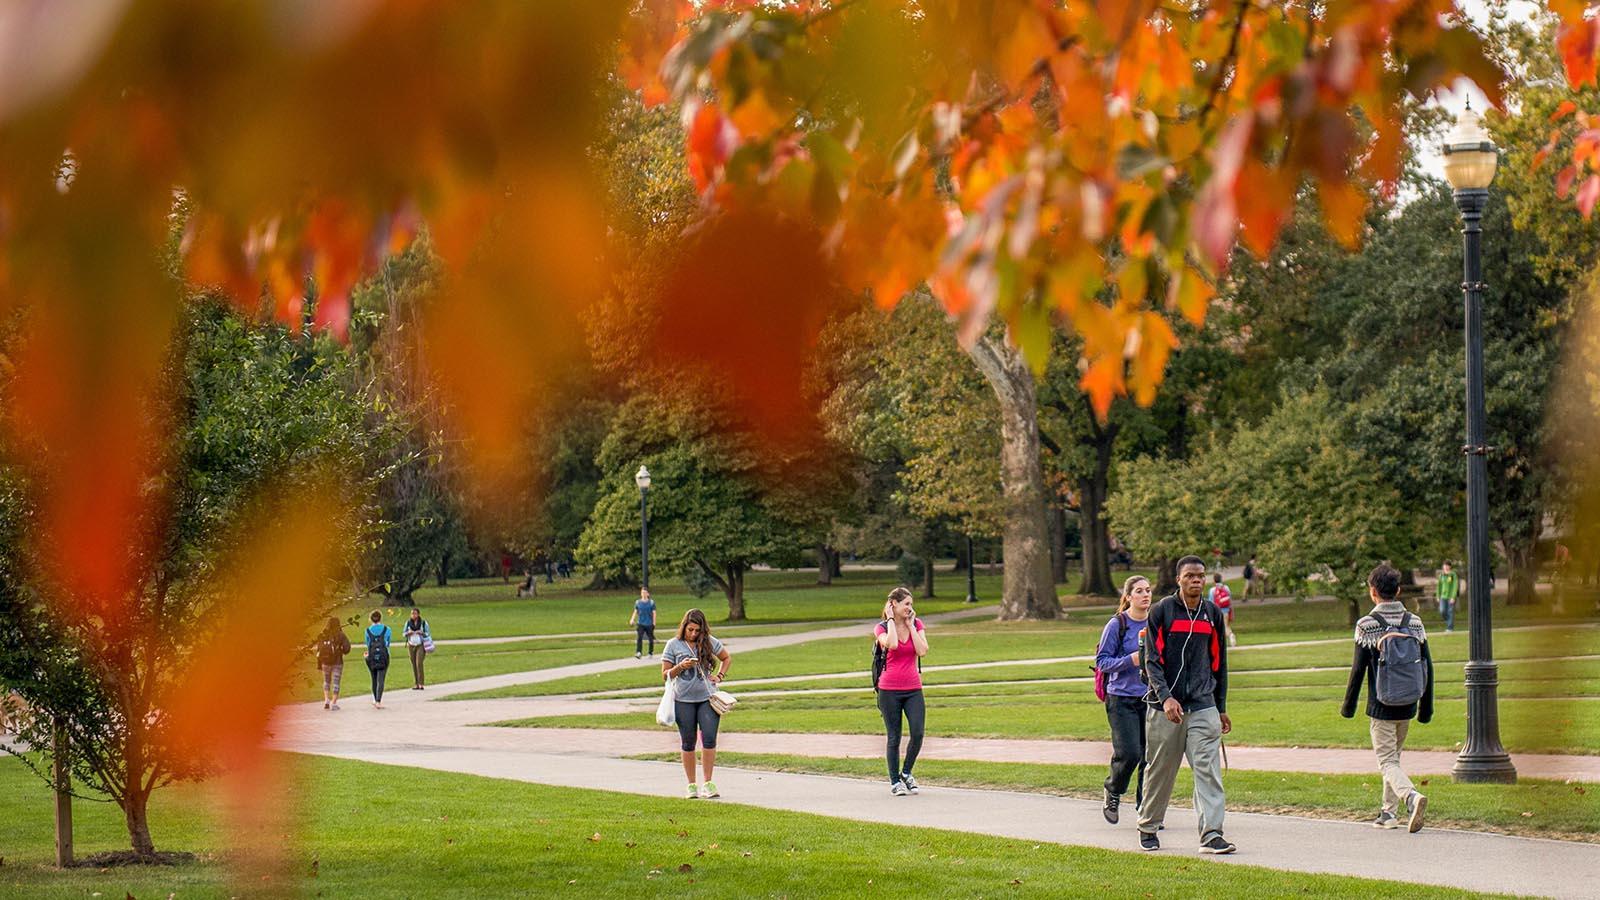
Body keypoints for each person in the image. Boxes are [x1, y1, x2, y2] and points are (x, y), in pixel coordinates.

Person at [1137, 555, 1234, 854]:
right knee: (1161, 769)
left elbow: (1219, 663)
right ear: (1179, 579)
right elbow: (1151, 661)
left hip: (1203, 705)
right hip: (1165, 707)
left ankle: (1212, 834)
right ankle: (1148, 825)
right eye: (1190, 575)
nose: (1196, 580)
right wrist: (1165, 697)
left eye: (1200, 576)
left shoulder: (1212, 614)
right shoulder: (1162, 611)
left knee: (1207, 770)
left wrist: (1220, 707)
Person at [1342, 563, 1434, 832]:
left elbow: (1358, 670)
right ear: (1398, 590)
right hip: (1409, 704)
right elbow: (1427, 665)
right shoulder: (1414, 622)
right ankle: (1387, 813)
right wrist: (1426, 708)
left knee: (1387, 762)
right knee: (1394, 758)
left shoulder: (1367, 625)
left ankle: (1411, 797)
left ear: (1373, 592)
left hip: (1381, 705)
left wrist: (1348, 707)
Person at [1096, 575, 1152, 824]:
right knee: (1130, 753)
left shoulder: (1156, 623)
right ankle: (1113, 789)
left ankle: (1147, 808)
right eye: (1139, 591)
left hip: (1151, 698)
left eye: (1148, 590)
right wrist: (1132, 659)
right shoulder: (1117, 624)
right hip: (1121, 698)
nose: (1145, 595)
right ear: (1128, 596)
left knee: (1151, 757)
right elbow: (1103, 661)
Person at [662, 608, 731, 799]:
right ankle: (691, 785)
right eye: (690, 629)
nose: (693, 634)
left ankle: (708, 783)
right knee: (688, 742)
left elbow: (726, 658)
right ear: (684, 627)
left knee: (709, 739)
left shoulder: (709, 642)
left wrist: (720, 676)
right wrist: (680, 667)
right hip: (683, 700)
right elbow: (665, 675)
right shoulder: (673, 645)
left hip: (707, 698)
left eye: (697, 630)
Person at [875, 586, 929, 797]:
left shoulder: (916, 624)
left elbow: (923, 650)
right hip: (889, 690)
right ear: (893, 605)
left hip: (913, 688)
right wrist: (891, 621)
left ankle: (906, 772)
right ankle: (894, 781)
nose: (910, 608)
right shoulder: (880, 628)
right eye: (906, 604)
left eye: (911, 604)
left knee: (918, 733)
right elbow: (893, 645)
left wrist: (911, 626)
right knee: (894, 737)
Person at [315, 617, 352, 710]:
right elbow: (347, 649)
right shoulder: (341, 635)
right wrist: (341, 651)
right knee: (336, 682)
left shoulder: (322, 634)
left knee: (326, 681)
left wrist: (319, 663)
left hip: (325, 662)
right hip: (337, 662)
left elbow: (319, 650)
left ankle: (326, 699)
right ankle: (334, 703)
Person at [362, 610, 392, 708]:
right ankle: (379, 700)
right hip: (384, 656)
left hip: (371, 657)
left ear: (371, 619)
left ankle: (375, 700)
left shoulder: (367, 630)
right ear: (380, 618)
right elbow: (387, 643)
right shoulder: (387, 629)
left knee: (373, 679)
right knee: (381, 679)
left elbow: (368, 644)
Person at [403, 607, 431, 690]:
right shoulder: (408, 623)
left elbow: (428, 633)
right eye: (412, 613)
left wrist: (422, 633)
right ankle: (416, 683)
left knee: (419, 663)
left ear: (418, 614)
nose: (413, 615)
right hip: (411, 645)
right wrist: (408, 633)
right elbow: (403, 633)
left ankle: (421, 683)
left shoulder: (423, 623)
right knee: (413, 663)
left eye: (415, 613)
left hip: (420, 645)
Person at [1207, 573, 1236, 648]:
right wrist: (1232, 611)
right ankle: (1228, 638)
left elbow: (1211, 603)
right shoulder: (1226, 588)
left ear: (1214, 580)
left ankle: (1230, 635)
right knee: (1225, 625)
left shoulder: (1212, 590)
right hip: (1226, 610)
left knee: (1219, 628)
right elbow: (1230, 600)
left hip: (1217, 612)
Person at [631, 587, 658, 659]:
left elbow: (654, 613)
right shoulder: (638, 602)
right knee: (639, 637)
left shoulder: (651, 602)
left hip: (649, 623)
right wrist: (632, 619)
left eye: (645, 593)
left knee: (650, 638)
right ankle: (639, 652)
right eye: (642, 593)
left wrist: (654, 623)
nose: (643, 594)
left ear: (648, 594)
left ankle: (650, 652)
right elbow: (635, 611)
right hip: (640, 623)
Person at [1435, 561, 1459, 632]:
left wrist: (1453, 597)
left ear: (1450, 567)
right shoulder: (1441, 575)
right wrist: (1438, 596)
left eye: (1447, 565)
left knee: (1450, 611)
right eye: (1444, 565)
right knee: (1442, 611)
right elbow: (1439, 586)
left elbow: (1455, 586)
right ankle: (1448, 622)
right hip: (1443, 596)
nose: (1445, 567)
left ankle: (1450, 627)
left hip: (1450, 597)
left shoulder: (1453, 575)